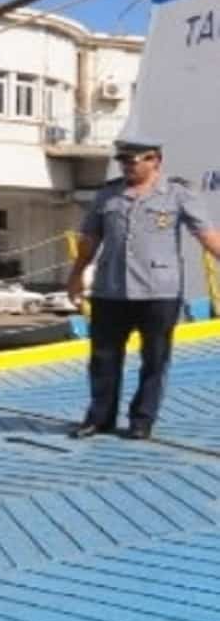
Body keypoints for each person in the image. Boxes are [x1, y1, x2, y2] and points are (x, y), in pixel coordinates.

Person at [65, 136, 220, 440]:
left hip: (159, 291)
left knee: (155, 358)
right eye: (123, 160)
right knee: (103, 358)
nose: (128, 166)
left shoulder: (178, 195)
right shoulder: (108, 196)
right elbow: (89, 241)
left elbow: (207, 236)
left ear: (155, 161)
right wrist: (75, 275)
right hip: (110, 290)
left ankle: (142, 419)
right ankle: (100, 417)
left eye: (135, 160)